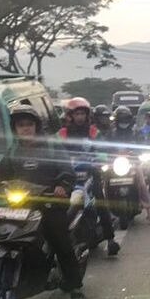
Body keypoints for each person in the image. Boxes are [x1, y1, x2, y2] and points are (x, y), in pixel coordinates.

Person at [0, 101, 87, 299]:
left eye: (29, 124)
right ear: (15, 129)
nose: (26, 128)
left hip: (49, 204)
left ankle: (76, 288)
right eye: (21, 125)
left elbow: (67, 170)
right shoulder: (13, 152)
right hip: (22, 205)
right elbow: (0, 173)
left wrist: (61, 185)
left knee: (60, 239)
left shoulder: (51, 147)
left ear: (36, 126)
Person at [58, 97, 120, 257]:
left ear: (87, 115)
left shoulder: (94, 132)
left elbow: (101, 150)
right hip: (67, 176)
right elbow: (53, 150)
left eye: (82, 114)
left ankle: (111, 239)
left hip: (90, 173)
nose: (80, 117)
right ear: (70, 115)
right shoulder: (62, 133)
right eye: (76, 114)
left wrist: (100, 160)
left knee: (100, 202)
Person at [111, 105, 150, 225]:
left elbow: (142, 146)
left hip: (132, 163)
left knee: (142, 183)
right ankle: (106, 212)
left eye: (125, 119)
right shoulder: (112, 134)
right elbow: (105, 148)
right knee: (104, 181)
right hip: (115, 164)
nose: (123, 122)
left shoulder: (136, 132)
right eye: (121, 120)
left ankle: (149, 212)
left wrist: (137, 152)